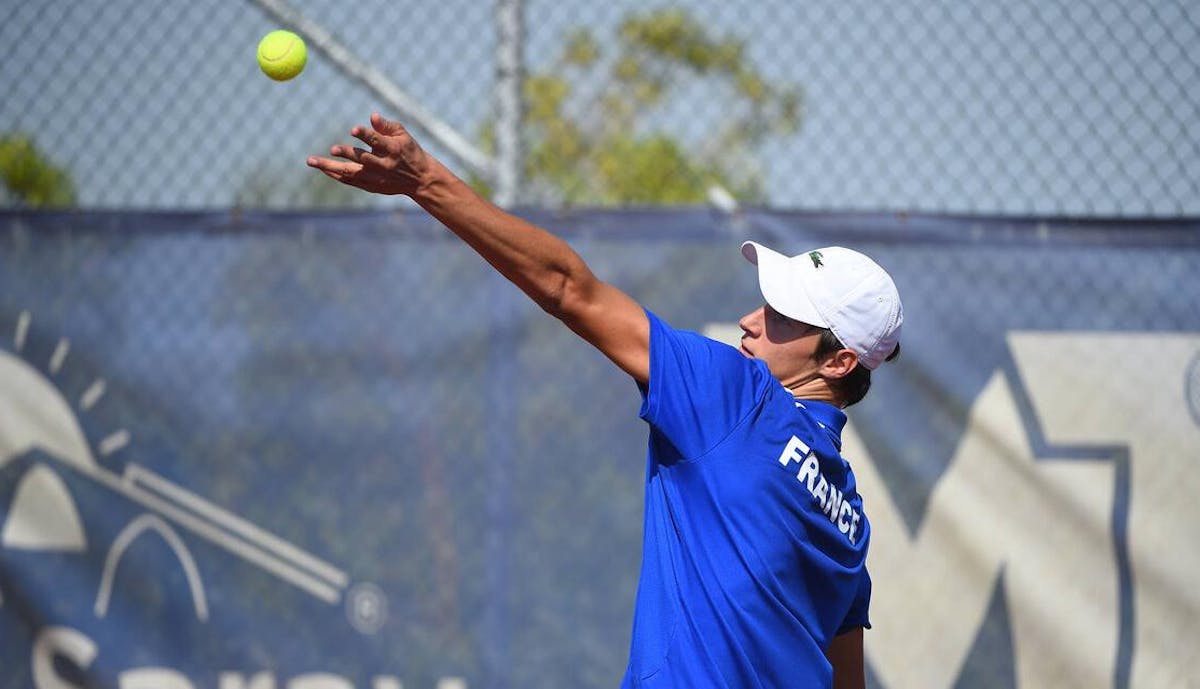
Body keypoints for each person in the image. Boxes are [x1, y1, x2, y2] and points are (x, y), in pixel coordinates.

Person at [307, 113, 903, 689]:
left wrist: (426, 181)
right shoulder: (848, 515)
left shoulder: (738, 400)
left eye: (778, 317)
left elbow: (568, 288)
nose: (750, 320)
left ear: (839, 361)